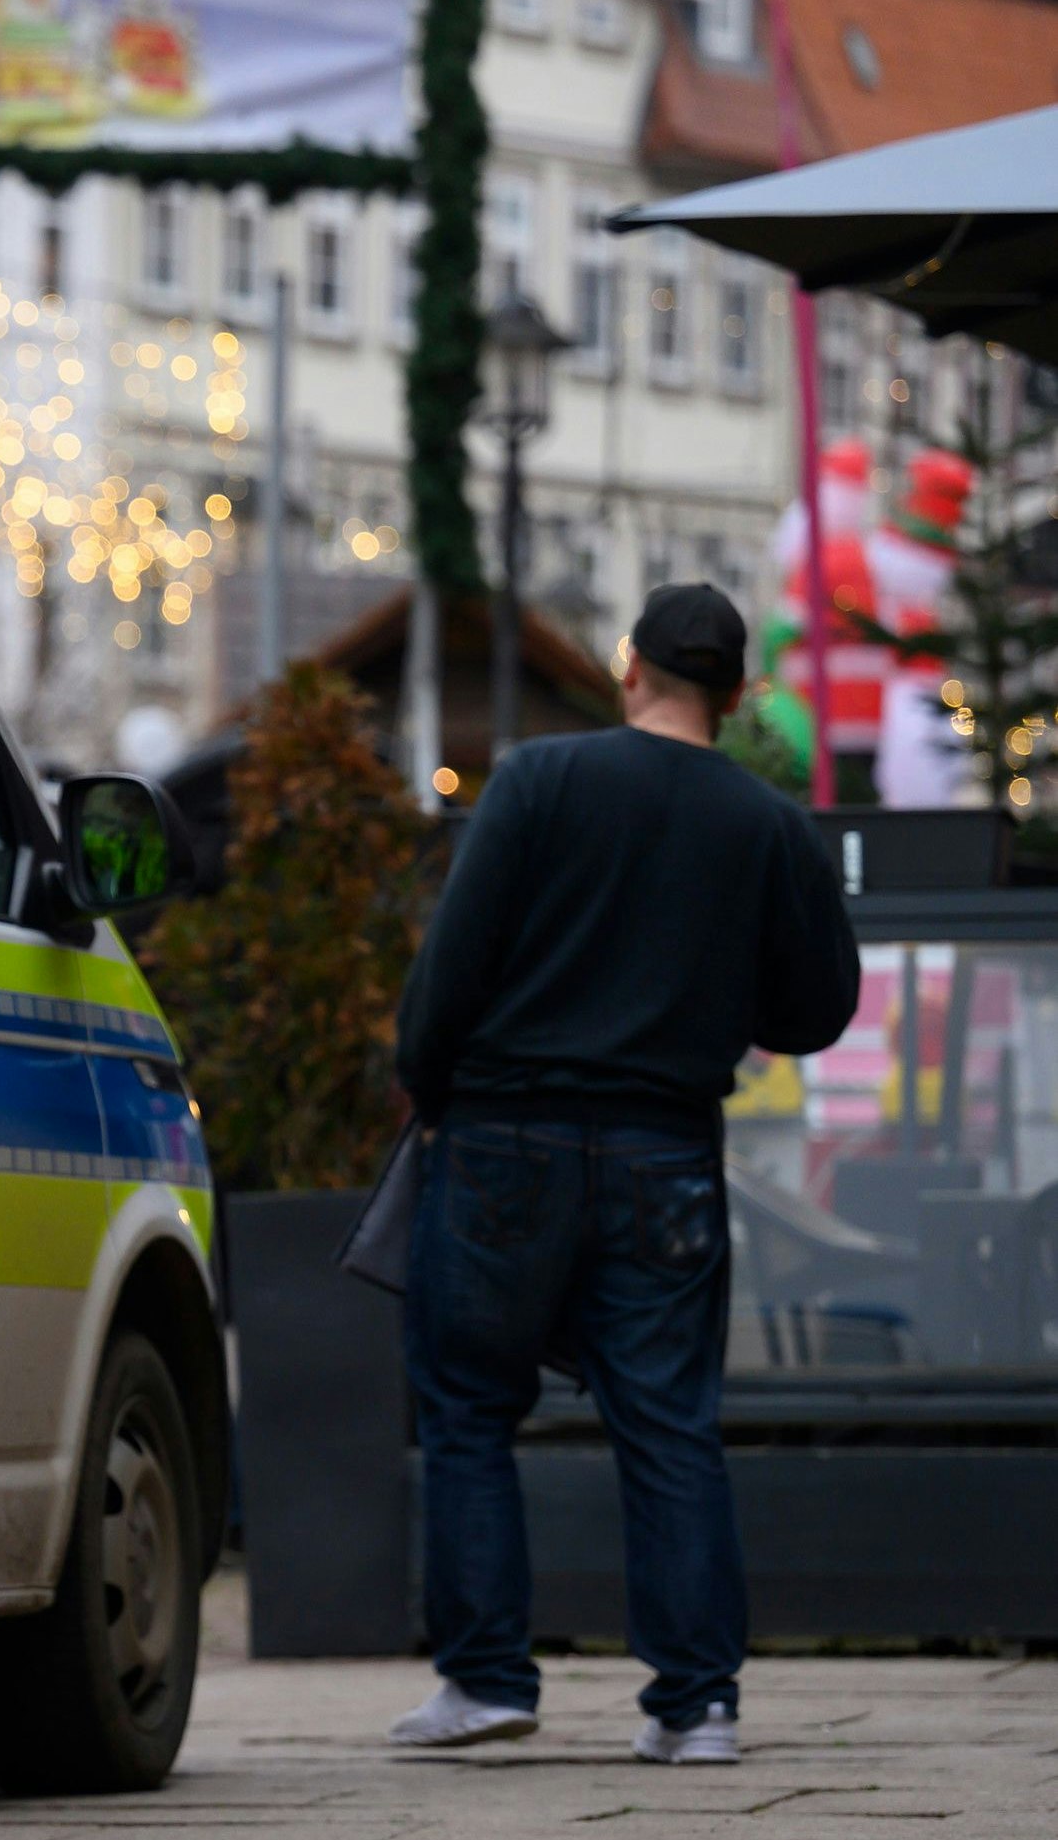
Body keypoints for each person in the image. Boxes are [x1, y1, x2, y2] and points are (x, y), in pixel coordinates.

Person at [385, 583, 860, 1766]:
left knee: (466, 1404)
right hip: (664, 1148)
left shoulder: (539, 780)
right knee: (666, 1422)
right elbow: (817, 1007)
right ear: (736, 693)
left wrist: (430, 1090)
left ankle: (484, 1678)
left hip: (504, 1134)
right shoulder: (765, 825)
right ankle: (695, 1706)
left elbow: (451, 965)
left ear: (628, 666)